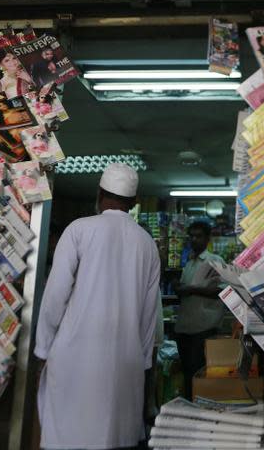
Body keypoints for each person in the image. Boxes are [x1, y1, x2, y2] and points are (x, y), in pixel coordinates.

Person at [34, 163, 160, 450]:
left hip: (74, 357)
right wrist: (141, 364)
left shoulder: (79, 230)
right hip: (125, 363)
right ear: (134, 202)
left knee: (67, 436)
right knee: (112, 436)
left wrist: (43, 348)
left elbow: (55, 296)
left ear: (99, 194)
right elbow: (149, 315)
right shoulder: (147, 244)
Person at [174, 221, 225, 398]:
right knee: (188, 373)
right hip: (185, 327)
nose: (194, 240)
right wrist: (180, 288)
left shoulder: (214, 261)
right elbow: (186, 291)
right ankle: (190, 407)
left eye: (199, 236)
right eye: (192, 236)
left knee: (199, 374)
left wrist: (190, 289)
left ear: (207, 239)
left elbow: (221, 291)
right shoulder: (189, 263)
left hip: (203, 327)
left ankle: (199, 409)